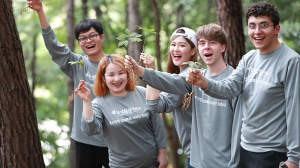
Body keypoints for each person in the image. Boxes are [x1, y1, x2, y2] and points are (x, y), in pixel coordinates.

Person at [186, 1, 300, 168]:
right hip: (244, 149)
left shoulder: (291, 61)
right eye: (252, 26)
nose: (257, 31)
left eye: (264, 25)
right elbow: (228, 88)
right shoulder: (249, 58)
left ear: (276, 29)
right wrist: (203, 82)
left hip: (272, 152)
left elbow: (295, 110)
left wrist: (294, 157)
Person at [125, 23, 243, 168]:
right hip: (196, 161)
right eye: (202, 43)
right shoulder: (195, 78)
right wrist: (143, 71)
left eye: (212, 42)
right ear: (198, 48)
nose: (206, 47)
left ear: (222, 47)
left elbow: (239, 129)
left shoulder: (233, 81)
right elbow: (172, 81)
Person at [26, 0, 109, 168]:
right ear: (79, 43)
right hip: (84, 139)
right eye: (83, 38)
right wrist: (41, 11)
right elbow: (54, 46)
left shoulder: (116, 65)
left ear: (101, 37)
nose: (88, 41)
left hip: (113, 138)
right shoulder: (77, 64)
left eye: (92, 36)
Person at [77, 54, 168, 168]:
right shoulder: (99, 104)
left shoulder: (143, 93)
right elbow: (90, 130)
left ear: (127, 73)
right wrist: (86, 101)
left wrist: (163, 153)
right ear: (103, 78)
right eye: (111, 75)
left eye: (121, 73)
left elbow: (157, 125)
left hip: (153, 164)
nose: (117, 79)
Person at [142, 27, 198, 167]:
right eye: (173, 45)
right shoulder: (194, 74)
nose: (176, 49)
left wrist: (150, 72)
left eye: (182, 45)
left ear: (193, 51)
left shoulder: (187, 78)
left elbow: (155, 105)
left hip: (199, 156)